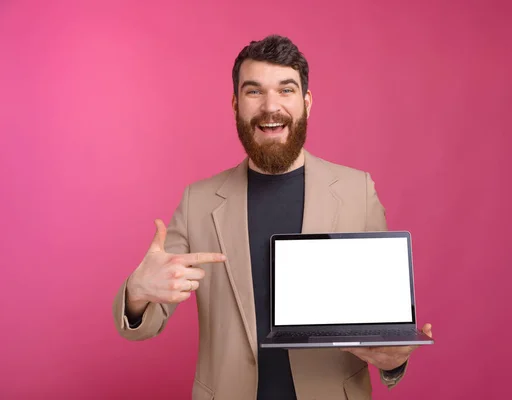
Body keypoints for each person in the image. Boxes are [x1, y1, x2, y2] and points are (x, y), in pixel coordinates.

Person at [112, 34, 433, 400]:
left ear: (306, 102)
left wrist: (392, 360)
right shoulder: (198, 201)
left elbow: (381, 322)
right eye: (254, 91)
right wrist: (137, 293)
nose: (270, 106)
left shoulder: (356, 191)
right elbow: (144, 320)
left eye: (286, 90)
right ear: (235, 104)